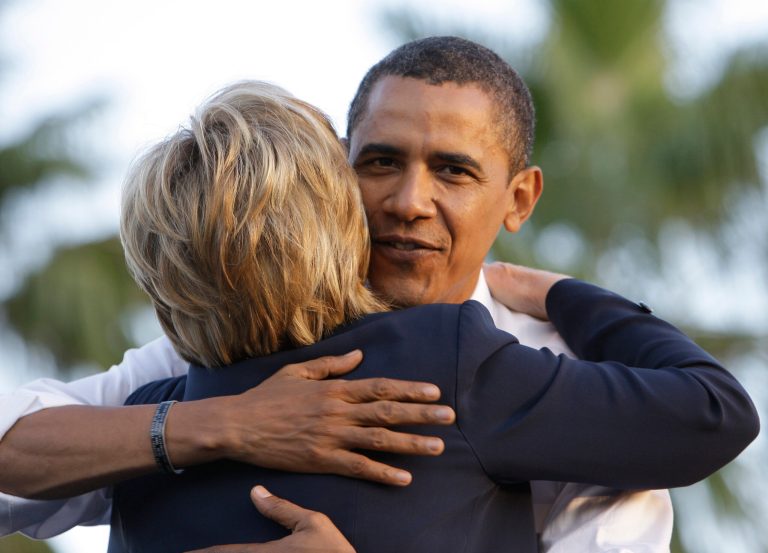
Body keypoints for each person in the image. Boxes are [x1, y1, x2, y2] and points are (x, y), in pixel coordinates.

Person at [0, 37, 759, 552]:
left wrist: (566, 297)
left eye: (453, 171)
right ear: (337, 171)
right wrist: (226, 423)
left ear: (519, 199)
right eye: (380, 162)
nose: (406, 201)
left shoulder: (560, 382)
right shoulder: (203, 360)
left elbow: (711, 419)